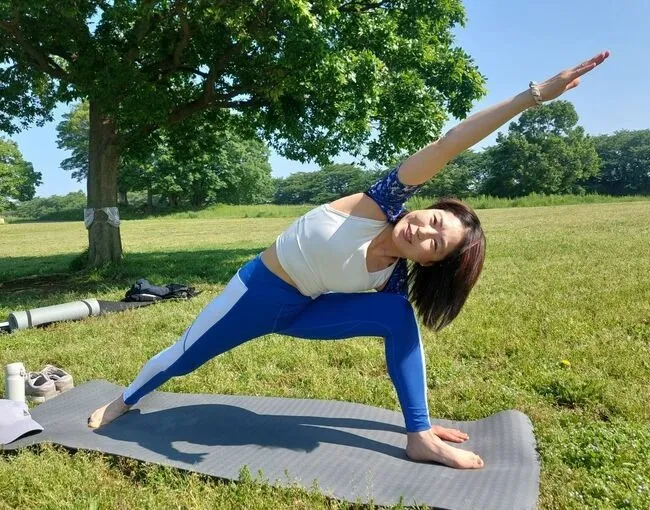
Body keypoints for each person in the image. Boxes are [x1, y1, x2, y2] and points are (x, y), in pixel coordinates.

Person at [88, 51, 610, 469]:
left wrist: (418, 420)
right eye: (433, 220)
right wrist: (534, 95)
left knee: (398, 318)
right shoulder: (378, 202)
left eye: (435, 243)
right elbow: (453, 142)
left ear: (431, 263)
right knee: (186, 354)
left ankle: (419, 434)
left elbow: (401, 345)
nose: (423, 230)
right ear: (425, 206)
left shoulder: (393, 279)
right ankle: (124, 400)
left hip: (305, 311)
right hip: (255, 293)